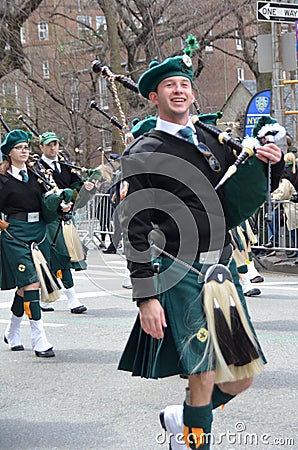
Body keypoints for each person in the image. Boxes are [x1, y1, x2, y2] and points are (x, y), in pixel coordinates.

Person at [117, 54, 284, 449]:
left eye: (184, 85)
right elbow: (135, 229)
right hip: (180, 269)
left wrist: (267, 161)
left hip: (221, 270)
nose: (179, 91)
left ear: (193, 94)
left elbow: (241, 190)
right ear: (154, 97)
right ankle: (196, 439)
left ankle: (184, 417)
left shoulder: (210, 139)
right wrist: (146, 298)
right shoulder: (144, 150)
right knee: (203, 369)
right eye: (170, 85)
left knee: (241, 375)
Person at [0, 130, 73, 357]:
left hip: (38, 233)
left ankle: (12, 331)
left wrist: (62, 204)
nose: (25, 151)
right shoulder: (2, 179)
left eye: (26, 147)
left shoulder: (37, 175)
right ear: (9, 153)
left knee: (26, 287)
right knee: (32, 283)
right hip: (14, 234)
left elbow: (48, 199)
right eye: (19, 148)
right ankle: (38, 337)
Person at [38, 131, 90, 314]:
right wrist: (59, 203)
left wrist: (88, 186)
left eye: (55, 144)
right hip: (50, 218)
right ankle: (72, 299)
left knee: (58, 258)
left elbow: (77, 187)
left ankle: (45, 298)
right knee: (60, 256)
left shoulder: (64, 165)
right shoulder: (37, 167)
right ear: (41, 147)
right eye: (49, 145)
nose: (53, 148)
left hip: (66, 219)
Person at [102, 154, 122, 254]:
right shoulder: (119, 172)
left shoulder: (121, 172)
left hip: (122, 203)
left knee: (120, 226)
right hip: (120, 203)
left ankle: (113, 247)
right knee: (119, 226)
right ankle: (113, 247)